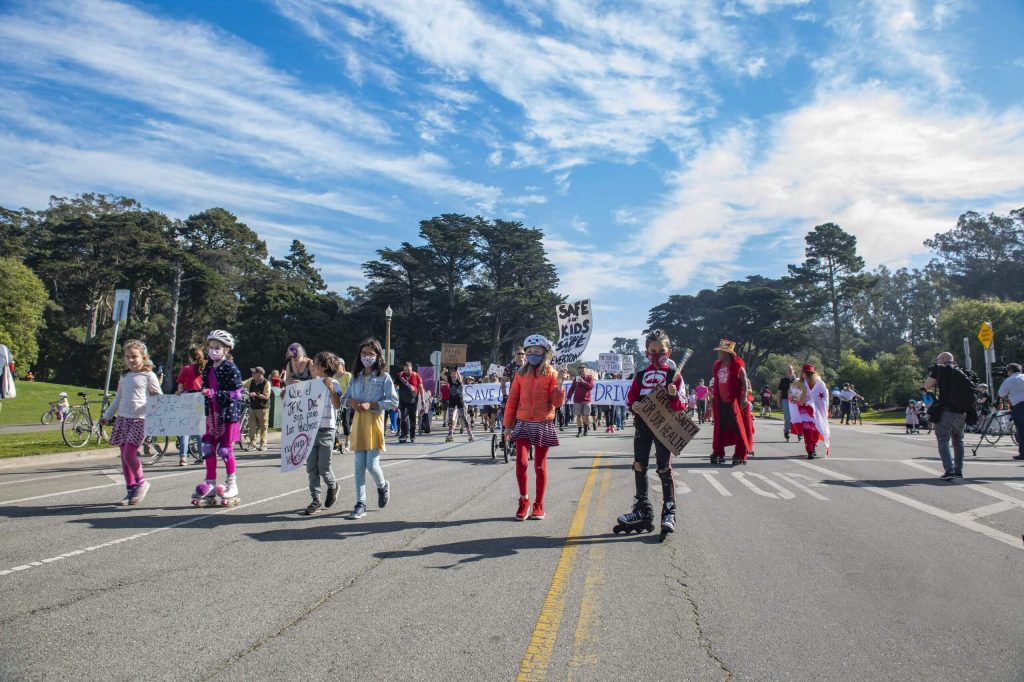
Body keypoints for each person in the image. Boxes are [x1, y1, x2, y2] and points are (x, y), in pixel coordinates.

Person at [615, 329, 685, 537]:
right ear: (646, 353)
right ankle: (642, 509)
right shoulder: (640, 375)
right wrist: (634, 405)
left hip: (664, 428)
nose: (656, 355)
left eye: (661, 351)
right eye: (652, 351)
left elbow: (680, 406)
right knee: (639, 465)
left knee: (664, 468)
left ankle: (669, 511)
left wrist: (673, 395)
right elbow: (631, 399)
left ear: (669, 352)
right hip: (642, 427)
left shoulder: (675, 376)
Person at [503, 334, 564, 521]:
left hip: (543, 423)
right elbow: (512, 400)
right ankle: (524, 500)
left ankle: (539, 504)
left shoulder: (553, 374)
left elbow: (557, 402)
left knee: (539, 466)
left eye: (537, 351)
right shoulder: (520, 374)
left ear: (545, 353)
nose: (532, 354)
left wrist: (560, 383)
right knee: (521, 462)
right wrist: (507, 425)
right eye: (529, 352)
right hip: (522, 423)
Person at [100, 340, 162, 505]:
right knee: (124, 457)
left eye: (134, 356)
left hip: (140, 420)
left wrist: (153, 404)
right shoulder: (125, 376)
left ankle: (142, 483)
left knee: (129, 454)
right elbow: (118, 397)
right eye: (127, 357)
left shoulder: (149, 375)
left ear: (143, 357)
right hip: (123, 419)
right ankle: (130, 490)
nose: (131, 360)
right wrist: (107, 415)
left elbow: (158, 397)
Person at [343, 338, 398, 520]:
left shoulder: (384, 377)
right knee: (358, 467)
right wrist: (350, 401)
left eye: (371, 354)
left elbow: (393, 401)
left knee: (372, 465)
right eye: (364, 353)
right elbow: (345, 399)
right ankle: (360, 503)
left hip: (374, 424)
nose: (367, 357)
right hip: (358, 424)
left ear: (377, 356)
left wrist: (372, 404)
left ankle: (382, 486)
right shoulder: (355, 377)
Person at [191, 330, 244, 506]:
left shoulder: (230, 367)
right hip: (211, 413)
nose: (213, 351)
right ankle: (210, 483)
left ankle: (232, 485)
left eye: (217, 348)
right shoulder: (208, 367)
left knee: (225, 450)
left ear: (227, 350)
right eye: (211, 347)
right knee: (207, 448)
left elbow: (237, 393)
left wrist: (215, 393)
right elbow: (205, 387)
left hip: (227, 414)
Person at [303, 352, 344, 515]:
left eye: (316, 363)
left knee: (323, 467)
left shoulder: (333, 383)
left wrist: (332, 390)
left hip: (327, 429)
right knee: (311, 467)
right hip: (311, 430)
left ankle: (333, 485)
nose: (313, 365)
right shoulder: (310, 384)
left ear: (324, 367)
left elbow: (337, 405)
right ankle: (315, 498)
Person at [923, 351, 973, 480]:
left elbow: (927, 386)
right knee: (958, 440)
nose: (937, 361)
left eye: (938, 358)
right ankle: (958, 470)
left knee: (943, 440)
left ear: (943, 359)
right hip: (962, 412)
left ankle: (949, 470)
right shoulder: (963, 371)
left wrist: (924, 389)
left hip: (946, 410)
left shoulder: (939, 369)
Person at [709, 340, 754, 466]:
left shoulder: (737, 365)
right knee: (720, 428)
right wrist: (713, 396)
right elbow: (717, 383)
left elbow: (745, 382)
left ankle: (740, 454)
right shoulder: (718, 365)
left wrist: (744, 397)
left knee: (739, 428)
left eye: (720, 352)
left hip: (736, 403)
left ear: (726, 353)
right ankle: (718, 451)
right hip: (721, 402)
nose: (718, 354)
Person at [174, 345, 206, 465]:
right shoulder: (204, 369)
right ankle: (201, 455)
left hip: (187, 399)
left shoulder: (185, 369)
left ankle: (183, 457)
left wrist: (178, 392)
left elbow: (180, 387)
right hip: (199, 399)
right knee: (199, 429)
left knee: (185, 429)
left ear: (190, 357)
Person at [791, 364, 830, 459]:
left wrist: (821, 408)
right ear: (802, 373)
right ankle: (810, 450)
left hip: (817, 410)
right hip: (805, 409)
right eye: (805, 373)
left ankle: (814, 446)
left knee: (816, 429)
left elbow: (824, 397)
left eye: (810, 373)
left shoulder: (820, 384)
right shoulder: (798, 383)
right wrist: (803, 402)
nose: (807, 375)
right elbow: (795, 396)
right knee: (808, 430)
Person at [996, 362, 1024, 460]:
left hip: (1019, 406)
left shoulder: (1009, 380)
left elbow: (1001, 393)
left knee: (1021, 430)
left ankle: (1023, 453)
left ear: (1011, 370)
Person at [242, 366, 271, 451]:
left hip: (263, 408)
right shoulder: (251, 380)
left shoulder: (266, 383)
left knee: (263, 427)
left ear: (259, 374)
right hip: (253, 407)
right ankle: (252, 444)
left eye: (254, 372)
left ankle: (263, 444)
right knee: (252, 427)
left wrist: (256, 394)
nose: (252, 374)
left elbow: (266, 396)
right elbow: (241, 383)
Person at [444, 367, 474, 443]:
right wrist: (444, 370)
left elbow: (460, 378)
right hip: (452, 401)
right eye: (452, 374)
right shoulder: (450, 380)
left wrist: (457, 371)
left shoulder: (460, 381)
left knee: (463, 416)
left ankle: (470, 433)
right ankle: (450, 433)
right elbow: (442, 375)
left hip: (459, 400)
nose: (454, 376)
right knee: (450, 417)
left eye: (455, 374)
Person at [396, 361, 422, 444]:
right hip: (402, 400)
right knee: (403, 418)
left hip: (413, 400)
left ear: (411, 369)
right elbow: (395, 386)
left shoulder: (416, 375)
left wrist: (423, 399)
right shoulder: (400, 375)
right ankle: (403, 434)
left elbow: (421, 387)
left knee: (412, 418)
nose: (407, 372)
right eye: (405, 370)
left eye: (408, 370)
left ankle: (412, 434)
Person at [567, 365, 595, 437]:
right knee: (578, 416)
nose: (582, 371)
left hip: (586, 400)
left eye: (583, 369)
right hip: (577, 400)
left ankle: (586, 430)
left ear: (586, 370)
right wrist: (568, 397)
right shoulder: (576, 378)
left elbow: (591, 387)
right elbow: (572, 388)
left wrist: (583, 382)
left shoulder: (590, 378)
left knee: (586, 416)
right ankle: (579, 431)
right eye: (580, 369)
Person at [335, 359, 353, 453]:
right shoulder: (333, 376)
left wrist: (344, 396)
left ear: (343, 365)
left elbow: (350, 387)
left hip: (346, 401)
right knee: (335, 423)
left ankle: (347, 441)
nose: (337, 365)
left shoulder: (347, 375)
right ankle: (336, 443)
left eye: (339, 364)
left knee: (346, 422)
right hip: (336, 401)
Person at [777, 365, 796, 441]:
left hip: (795, 401)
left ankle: (799, 432)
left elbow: (802, 390)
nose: (790, 371)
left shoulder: (797, 380)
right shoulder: (783, 380)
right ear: (786, 371)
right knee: (787, 417)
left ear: (793, 370)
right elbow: (779, 391)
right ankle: (786, 431)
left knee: (796, 417)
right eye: (788, 370)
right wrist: (778, 401)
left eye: (791, 369)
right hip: (785, 400)